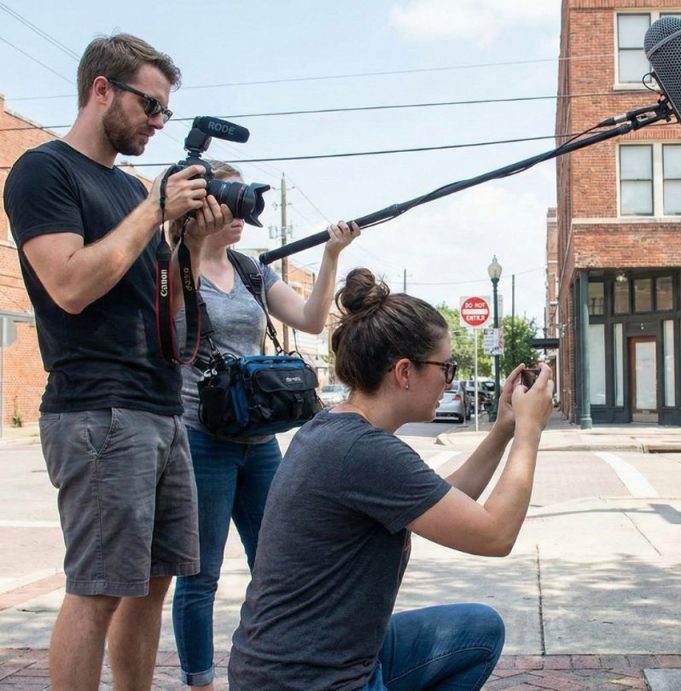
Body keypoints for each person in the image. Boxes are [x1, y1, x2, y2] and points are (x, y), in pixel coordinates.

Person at [2, 34, 229, 690]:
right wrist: (155, 211)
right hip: (97, 408)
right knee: (98, 588)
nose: (159, 124)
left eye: (165, 113)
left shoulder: (132, 194)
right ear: (102, 88)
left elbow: (170, 308)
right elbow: (69, 283)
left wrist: (184, 241)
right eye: (150, 107)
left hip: (160, 407)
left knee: (151, 586)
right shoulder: (43, 171)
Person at [228, 268, 554, 690]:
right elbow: (495, 535)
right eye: (446, 367)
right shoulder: (363, 451)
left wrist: (504, 429)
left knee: (478, 630)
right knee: (476, 630)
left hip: (307, 664)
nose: (449, 380)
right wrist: (530, 431)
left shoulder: (336, 430)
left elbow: (444, 502)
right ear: (404, 372)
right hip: (309, 681)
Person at [166, 160, 359, 690]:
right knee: (199, 575)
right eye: (228, 202)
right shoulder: (172, 268)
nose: (240, 215)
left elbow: (312, 320)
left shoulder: (252, 271)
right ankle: (200, 681)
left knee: (276, 563)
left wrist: (331, 254)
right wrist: (190, 247)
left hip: (259, 439)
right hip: (200, 436)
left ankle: (274, 671)